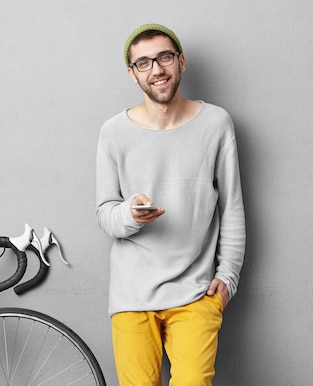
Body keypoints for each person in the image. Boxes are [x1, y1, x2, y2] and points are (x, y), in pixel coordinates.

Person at [96, 23, 246, 385]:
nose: (156, 70)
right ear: (133, 75)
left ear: (181, 62)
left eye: (164, 57)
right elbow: (105, 213)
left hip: (196, 295)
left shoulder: (216, 124)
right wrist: (130, 214)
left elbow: (232, 208)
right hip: (131, 297)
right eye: (143, 63)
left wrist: (228, 278)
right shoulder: (113, 132)